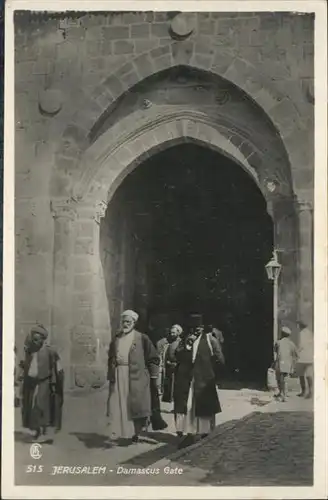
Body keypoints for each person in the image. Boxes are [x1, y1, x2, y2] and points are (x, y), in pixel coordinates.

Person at [107, 310, 167, 443]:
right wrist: (111, 372)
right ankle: (120, 432)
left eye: (129, 322)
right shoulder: (117, 338)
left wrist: (153, 376)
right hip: (119, 373)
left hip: (137, 377)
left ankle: (133, 433)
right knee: (119, 403)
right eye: (124, 321)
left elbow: (153, 358)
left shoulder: (142, 338)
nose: (126, 324)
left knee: (134, 405)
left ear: (134, 323)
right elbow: (111, 356)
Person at [173, 324, 225, 448]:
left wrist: (211, 373)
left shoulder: (210, 339)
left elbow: (220, 359)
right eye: (195, 327)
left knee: (203, 406)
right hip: (189, 380)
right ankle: (190, 433)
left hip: (204, 379)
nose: (197, 330)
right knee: (190, 407)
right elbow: (178, 356)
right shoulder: (187, 340)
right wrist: (187, 346)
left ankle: (204, 433)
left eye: (200, 327)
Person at [21, 324, 64, 442]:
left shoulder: (50, 351)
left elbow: (57, 368)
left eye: (37, 339)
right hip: (33, 383)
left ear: (42, 339)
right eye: (33, 339)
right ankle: (37, 430)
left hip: (45, 383)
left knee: (42, 406)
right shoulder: (30, 351)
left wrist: (55, 383)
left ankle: (44, 431)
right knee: (33, 406)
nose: (35, 342)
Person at [274, 326, 298, 402]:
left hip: (280, 363)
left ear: (282, 334)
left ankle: (281, 394)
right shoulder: (291, 344)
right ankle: (284, 395)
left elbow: (275, 351)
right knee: (285, 380)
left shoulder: (278, 342)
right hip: (288, 364)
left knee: (279, 379)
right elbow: (296, 354)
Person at [162, 324, 183, 404]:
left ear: (178, 333)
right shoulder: (170, 342)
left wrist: (175, 362)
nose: (172, 334)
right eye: (171, 333)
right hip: (169, 365)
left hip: (175, 366)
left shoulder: (180, 342)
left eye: (174, 333)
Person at [296, 321, 314, 399]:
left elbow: (301, 345)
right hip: (310, 357)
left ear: (300, 325)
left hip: (302, 358)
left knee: (301, 375)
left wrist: (296, 353)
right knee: (309, 375)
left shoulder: (302, 333)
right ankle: (310, 392)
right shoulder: (310, 333)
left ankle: (303, 392)